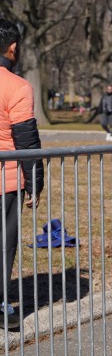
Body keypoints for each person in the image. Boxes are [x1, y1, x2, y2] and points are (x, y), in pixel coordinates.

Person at [0, 19, 43, 329]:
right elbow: (27, 141)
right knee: (4, 243)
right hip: (6, 179)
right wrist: (35, 183)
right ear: (12, 48)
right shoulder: (17, 87)